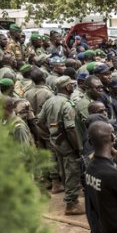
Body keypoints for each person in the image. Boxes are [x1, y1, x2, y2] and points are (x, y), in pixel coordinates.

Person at [37, 76, 85, 215]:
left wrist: (52, 132)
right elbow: (70, 129)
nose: (73, 87)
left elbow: (39, 122)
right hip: (68, 144)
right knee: (72, 172)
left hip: (56, 142)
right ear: (67, 87)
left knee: (64, 171)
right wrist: (78, 148)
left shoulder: (50, 101)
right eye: (71, 85)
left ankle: (68, 197)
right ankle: (71, 204)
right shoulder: (67, 104)